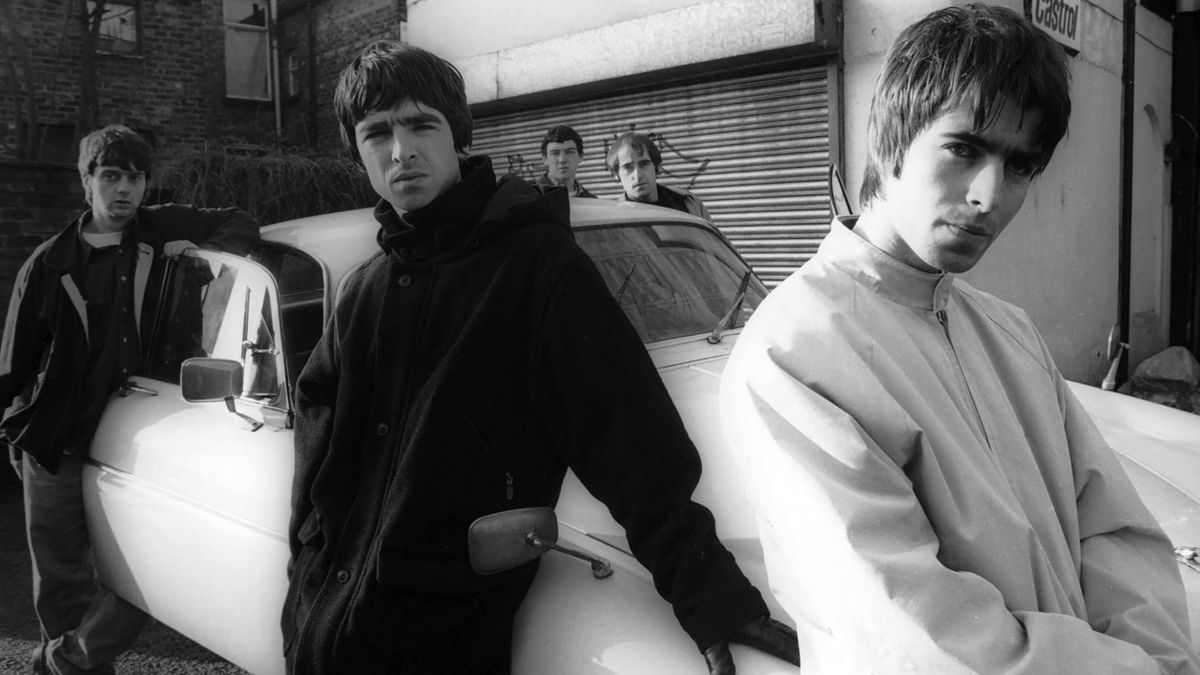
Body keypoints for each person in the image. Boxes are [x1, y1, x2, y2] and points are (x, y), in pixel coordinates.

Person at [282, 41, 797, 674]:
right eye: (376, 133)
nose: (400, 151)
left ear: (458, 135)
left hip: (444, 642)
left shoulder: (534, 267)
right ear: (356, 150)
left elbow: (628, 436)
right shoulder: (363, 291)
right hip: (327, 638)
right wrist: (302, 594)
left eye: (422, 125)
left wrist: (712, 598)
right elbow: (314, 467)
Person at [720, 4, 1200, 674]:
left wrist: (1157, 659)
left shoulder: (1009, 330)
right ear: (891, 139)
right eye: (964, 148)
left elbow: (1115, 532)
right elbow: (919, 639)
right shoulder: (793, 355)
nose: (989, 195)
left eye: (1022, 165)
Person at [1, 124, 260, 675]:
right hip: (58, 441)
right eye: (111, 176)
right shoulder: (49, 265)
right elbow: (13, 367)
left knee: (153, 570)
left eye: (135, 177)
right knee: (62, 579)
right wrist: (13, 434)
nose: (124, 189)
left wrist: (206, 252)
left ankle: (67, 662)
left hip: (139, 437)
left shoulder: (161, 228)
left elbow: (240, 221)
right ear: (87, 183)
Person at [607, 132, 711, 220]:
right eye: (628, 167)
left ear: (656, 167)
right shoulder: (615, 220)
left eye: (644, 164)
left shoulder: (689, 203)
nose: (638, 175)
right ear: (617, 175)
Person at [532, 124, 596, 198]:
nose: (562, 160)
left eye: (569, 152)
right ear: (545, 159)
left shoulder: (591, 201)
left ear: (580, 156)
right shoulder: (529, 197)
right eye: (555, 153)